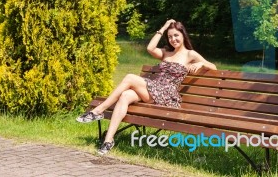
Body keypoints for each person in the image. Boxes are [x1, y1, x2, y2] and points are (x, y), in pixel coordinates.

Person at [76, 19, 217, 155]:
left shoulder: (190, 54)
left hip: (166, 94)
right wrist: (163, 28)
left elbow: (213, 66)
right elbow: (150, 48)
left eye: (176, 35)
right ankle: (108, 140)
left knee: (130, 77)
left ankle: (98, 111)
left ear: (183, 35)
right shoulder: (166, 53)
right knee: (125, 95)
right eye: (170, 37)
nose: (173, 39)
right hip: (153, 89)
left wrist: (201, 64)